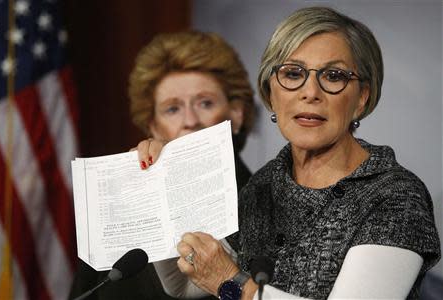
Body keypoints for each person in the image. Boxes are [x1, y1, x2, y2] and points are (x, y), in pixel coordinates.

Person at [138, 7, 441, 300]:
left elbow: (221, 278)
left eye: (333, 76)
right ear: (271, 92)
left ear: (362, 97)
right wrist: (160, 189)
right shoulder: (262, 187)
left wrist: (230, 282)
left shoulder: (395, 196)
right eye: (293, 74)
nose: (310, 92)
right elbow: (182, 284)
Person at [69, 30, 255, 300]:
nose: (190, 120)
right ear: (153, 127)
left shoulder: (268, 198)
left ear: (235, 115)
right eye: (172, 109)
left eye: (205, 103)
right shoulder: (119, 213)